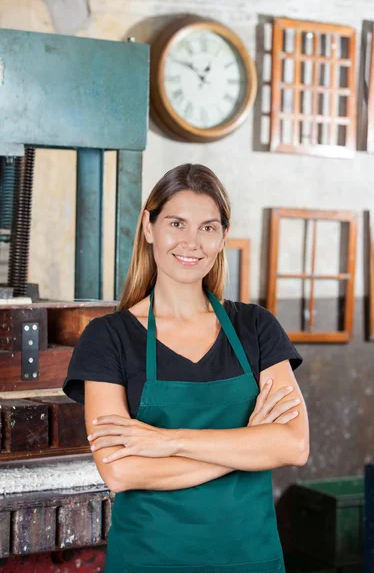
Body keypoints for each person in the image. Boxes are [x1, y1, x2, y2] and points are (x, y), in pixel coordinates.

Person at [63, 163, 309, 573]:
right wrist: (248, 444)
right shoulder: (108, 338)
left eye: (208, 228)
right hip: (148, 560)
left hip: (250, 559)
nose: (191, 242)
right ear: (148, 226)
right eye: (177, 223)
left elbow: (294, 446)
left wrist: (168, 441)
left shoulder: (256, 327)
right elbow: (121, 472)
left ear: (222, 237)